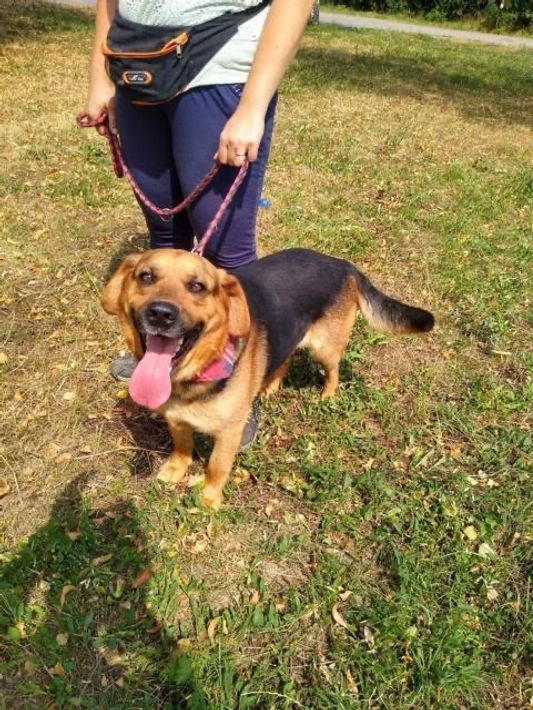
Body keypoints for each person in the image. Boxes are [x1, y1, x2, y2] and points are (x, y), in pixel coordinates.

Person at [83, 0, 314, 270]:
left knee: (224, 252)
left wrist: (251, 108)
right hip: (134, 67)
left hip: (218, 63)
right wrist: (100, 77)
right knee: (165, 235)